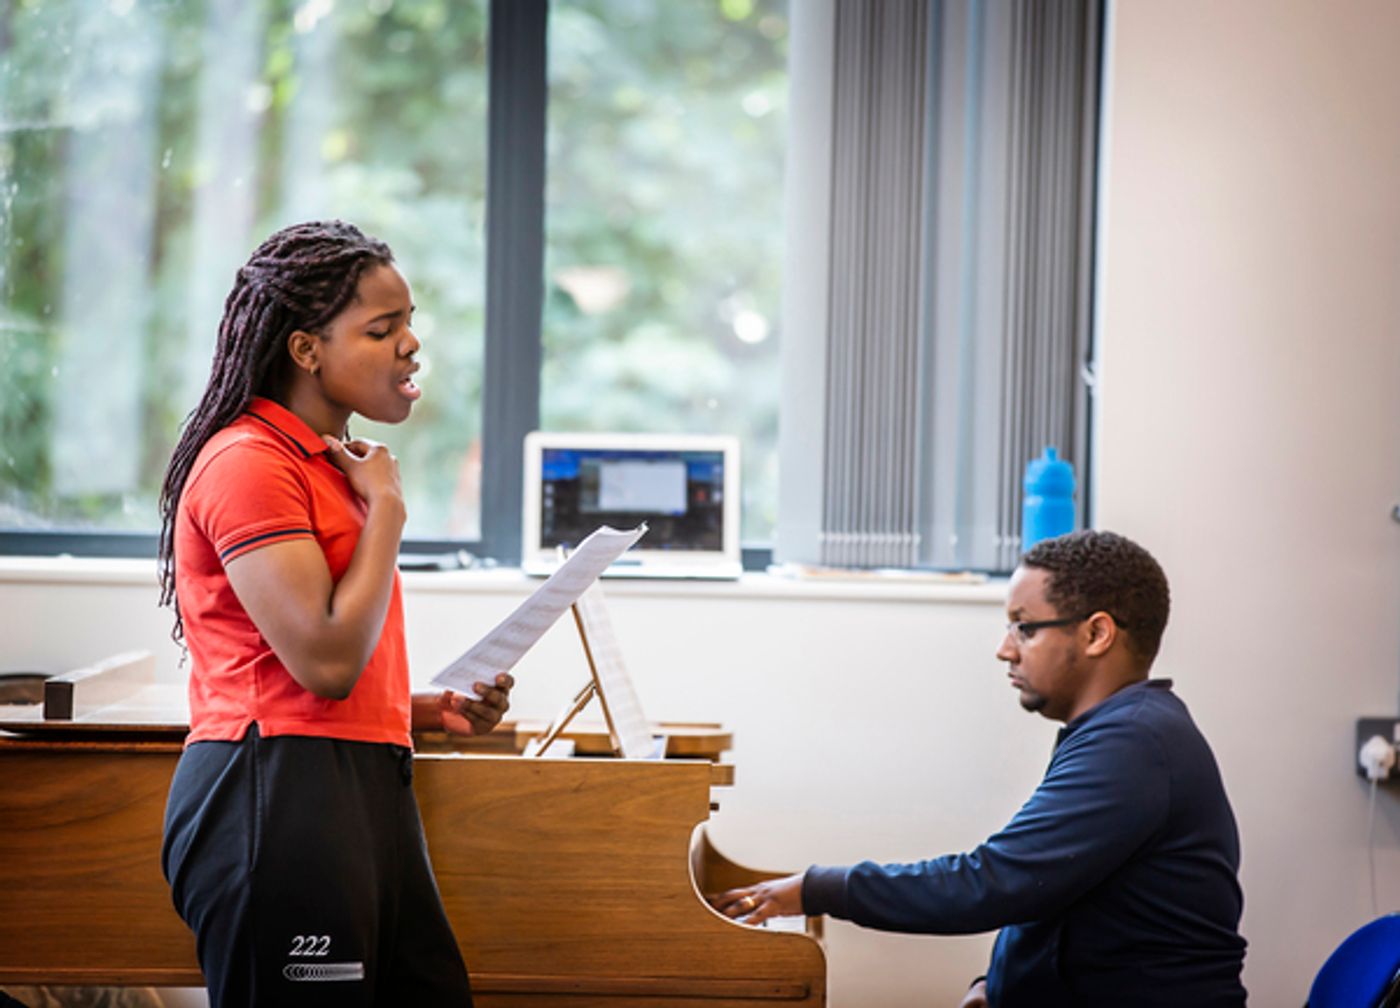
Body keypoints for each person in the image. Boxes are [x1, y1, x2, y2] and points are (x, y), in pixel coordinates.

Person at [156, 220, 512, 1007]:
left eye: (410, 323)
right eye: (382, 330)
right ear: (306, 350)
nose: (411, 345)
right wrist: (386, 509)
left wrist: (418, 708)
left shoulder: (326, 465)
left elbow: (325, 674)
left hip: (357, 783)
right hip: (274, 796)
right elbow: (323, 660)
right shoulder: (249, 462)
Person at [712, 530, 1247, 1007]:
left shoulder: (1134, 743)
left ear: (1096, 634)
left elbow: (991, 883)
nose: (1003, 650)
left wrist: (818, 888)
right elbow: (1050, 890)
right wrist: (991, 983)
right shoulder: (1124, 731)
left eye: (1023, 628)